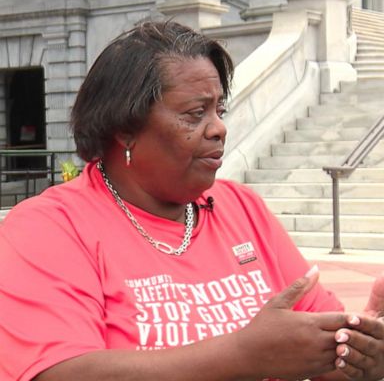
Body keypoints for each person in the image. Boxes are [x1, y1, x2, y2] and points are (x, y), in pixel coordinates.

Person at [0, 20, 383, 381]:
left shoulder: (242, 207)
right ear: (125, 128)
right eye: (195, 113)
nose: (218, 128)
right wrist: (241, 355)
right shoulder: (48, 227)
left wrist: (364, 343)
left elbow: (320, 344)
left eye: (219, 110)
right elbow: (58, 371)